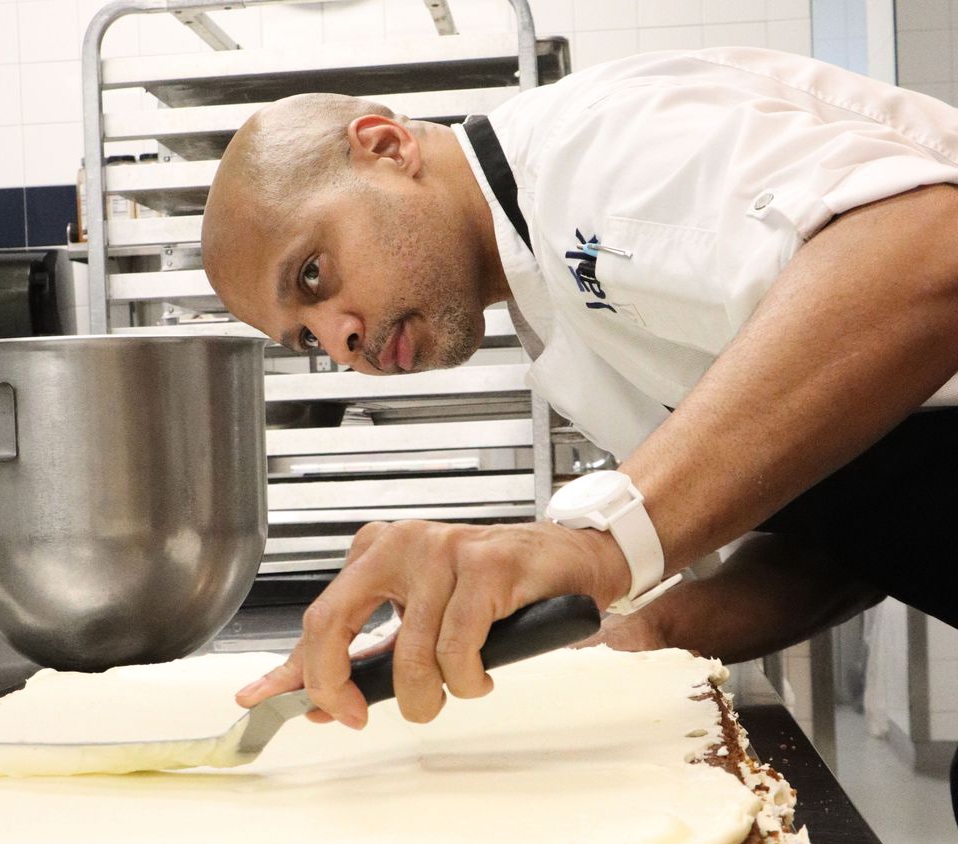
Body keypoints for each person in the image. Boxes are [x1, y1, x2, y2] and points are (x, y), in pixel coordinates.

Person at [200, 47, 958, 762]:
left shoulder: (599, 149)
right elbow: (842, 540)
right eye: (306, 339)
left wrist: (600, 542)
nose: (342, 341)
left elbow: (931, 248)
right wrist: (641, 632)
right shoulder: (560, 327)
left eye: (311, 273)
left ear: (387, 145)